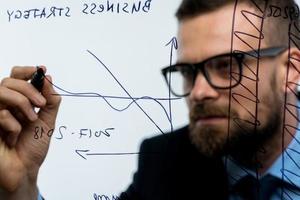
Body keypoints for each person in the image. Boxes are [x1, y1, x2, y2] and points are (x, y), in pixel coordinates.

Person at [1, 0, 300, 199]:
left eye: (226, 66)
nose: (198, 91)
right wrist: (21, 186)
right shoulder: (166, 162)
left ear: (290, 71)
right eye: (187, 71)